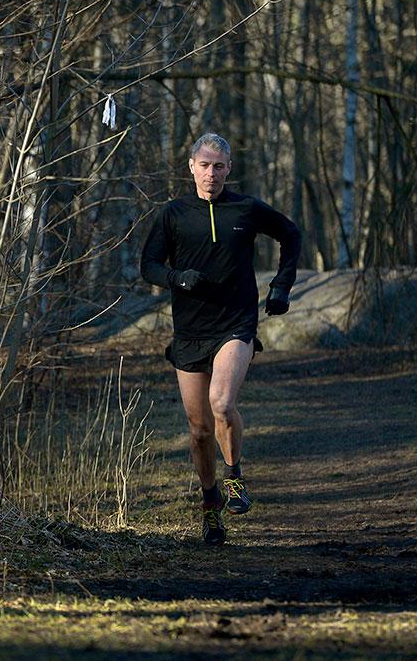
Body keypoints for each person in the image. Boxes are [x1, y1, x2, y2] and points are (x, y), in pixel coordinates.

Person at [140, 133, 301, 546]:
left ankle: (234, 478)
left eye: (220, 166)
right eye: (205, 164)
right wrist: (177, 278)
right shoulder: (173, 214)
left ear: (229, 169)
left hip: (236, 323)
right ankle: (210, 505)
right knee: (198, 431)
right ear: (191, 166)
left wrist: (281, 288)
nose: (212, 173)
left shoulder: (244, 208)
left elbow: (291, 234)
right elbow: (149, 266)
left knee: (222, 404)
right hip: (190, 331)